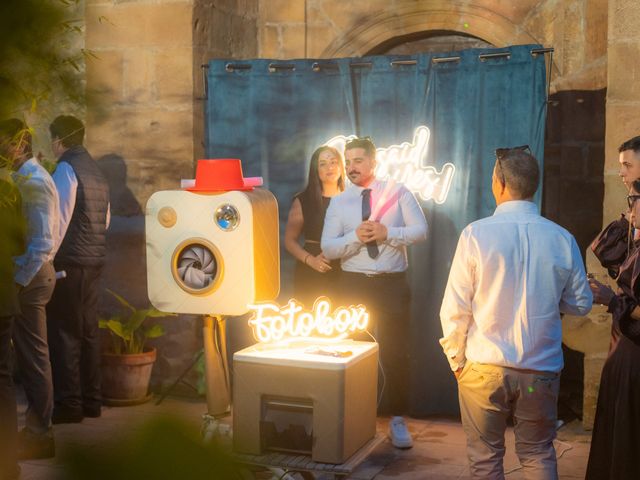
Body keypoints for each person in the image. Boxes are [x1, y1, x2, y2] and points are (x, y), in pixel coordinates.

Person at [439, 146, 592, 479]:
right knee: (538, 453)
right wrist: (550, 297)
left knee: (485, 459)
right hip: (539, 371)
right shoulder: (562, 238)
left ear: (499, 183)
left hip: (484, 369)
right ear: (533, 186)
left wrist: (456, 361)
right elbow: (581, 303)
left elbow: (455, 307)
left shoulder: (476, 234)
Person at [321, 136, 427, 449]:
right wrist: (355, 237)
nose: (351, 167)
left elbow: (421, 231)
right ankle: (355, 421)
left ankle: (396, 419)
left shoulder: (398, 192)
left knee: (395, 353)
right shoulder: (339, 202)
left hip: (392, 284)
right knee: (352, 354)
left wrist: (387, 233)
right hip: (354, 284)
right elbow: (328, 247)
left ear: (373, 162)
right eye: (348, 161)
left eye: (358, 160)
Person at [0, 118, 60, 460]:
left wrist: (17, 281)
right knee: (29, 356)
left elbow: (41, 242)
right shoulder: (23, 179)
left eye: (5, 143)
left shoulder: (35, 181)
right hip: (30, 274)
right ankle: (35, 429)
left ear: (21, 143)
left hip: (31, 277)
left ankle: (40, 433)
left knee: (35, 358)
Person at [46, 115, 110, 424]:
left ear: (59, 140)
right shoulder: (96, 171)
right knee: (88, 332)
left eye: (52, 140)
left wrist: (46, 259)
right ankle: (92, 401)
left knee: (64, 333)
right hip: (94, 261)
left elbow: (58, 220)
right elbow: (105, 221)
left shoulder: (66, 168)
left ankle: (69, 405)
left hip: (70, 263)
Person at [585, 189, 640, 478]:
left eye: (634, 200)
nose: (630, 208)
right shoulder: (632, 237)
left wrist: (612, 299)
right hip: (625, 344)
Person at [285, 145, 345, 306]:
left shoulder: (352, 198)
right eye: (323, 164)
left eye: (333, 162)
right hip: (312, 270)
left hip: (346, 269)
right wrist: (311, 260)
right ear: (315, 170)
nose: (329, 167)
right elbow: (289, 241)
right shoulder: (303, 200)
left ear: (341, 166)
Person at [0, 167, 26, 479]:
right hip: (3, 297)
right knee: (3, 382)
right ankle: (7, 465)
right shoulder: (9, 190)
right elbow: (20, 245)